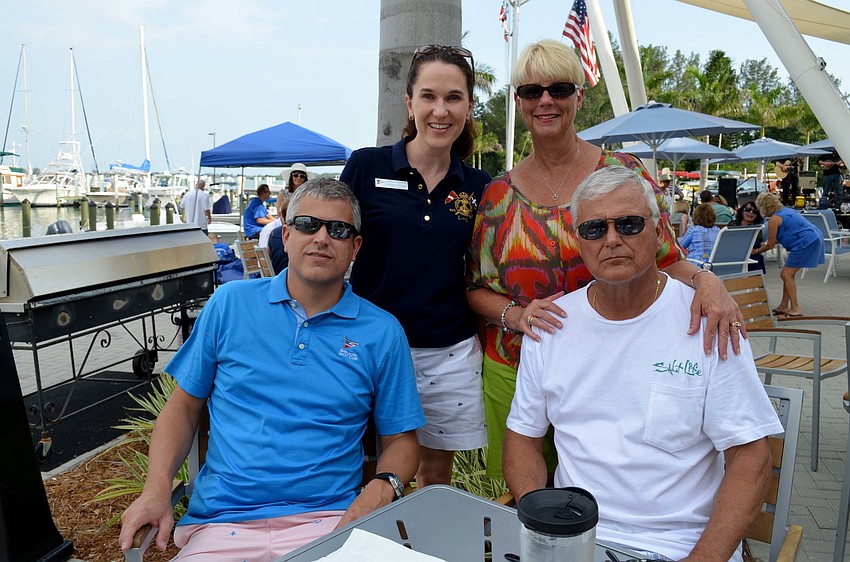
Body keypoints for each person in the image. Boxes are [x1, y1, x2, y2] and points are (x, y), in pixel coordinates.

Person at [467, 39, 744, 480]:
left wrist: (709, 282)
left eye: (559, 89)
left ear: (579, 96)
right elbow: (475, 286)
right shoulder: (498, 194)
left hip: (610, 367)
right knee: (518, 492)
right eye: (530, 91)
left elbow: (666, 257)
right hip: (515, 365)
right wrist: (516, 316)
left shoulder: (624, 173)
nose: (545, 101)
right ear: (518, 102)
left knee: (602, 484)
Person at [119, 178, 426, 560]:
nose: (321, 238)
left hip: (330, 524)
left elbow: (402, 440)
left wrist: (380, 491)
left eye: (338, 230)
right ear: (286, 234)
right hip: (221, 526)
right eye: (308, 224)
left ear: (355, 247)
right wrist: (156, 489)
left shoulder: (381, 332)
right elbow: (182, 407)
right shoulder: (229, 304)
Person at [504, 166, 782, 562]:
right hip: (574, 538)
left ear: (658, 231)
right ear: (578, 240)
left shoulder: (710, 320)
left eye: (630, 224)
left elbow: (751, 456)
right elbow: (522, 437)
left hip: (680, 547)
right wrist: (540, 517)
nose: (612, 240)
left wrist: (703, 558)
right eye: (594, 229)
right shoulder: (552, 327)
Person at [340, 44, 490, 487]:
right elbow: (329, 243)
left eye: (453, 97)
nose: (440, 110)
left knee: (434, 475)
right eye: (428, 96)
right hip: (369, 348)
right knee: (365, 468)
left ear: (468, 106)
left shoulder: (481, 186)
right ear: (410, 103)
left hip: (448, 352)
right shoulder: (366, 167)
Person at [753, 192, 824, 316]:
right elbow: (775, 239)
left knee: (786, 275)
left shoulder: (774, 219)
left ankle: (795, 309)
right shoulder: (786, 211)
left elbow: (770, 244)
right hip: (813, 238)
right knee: (788, 275)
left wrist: (757, 251)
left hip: (805, 243)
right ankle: (784, 306)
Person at [678, 203, 720, 267]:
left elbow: (680, 247)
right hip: (714, 265)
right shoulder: (718, 230)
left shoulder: (694, 230)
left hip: (697, 264)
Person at [728, 202, 766, 273]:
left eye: (754, 211)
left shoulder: (758, 228)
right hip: (734, 255)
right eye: (748, 209)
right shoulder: (733, 224)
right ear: (742, 211)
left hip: (751, 256)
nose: (751, 212)